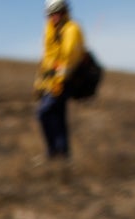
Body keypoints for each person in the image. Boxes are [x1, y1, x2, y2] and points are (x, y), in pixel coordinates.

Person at [34, 0, 87, 162]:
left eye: (56, 13)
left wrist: (59, 81)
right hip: (51, 83)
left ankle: (53, 152)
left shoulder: (72, 29)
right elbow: (47, 59)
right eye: (50, 14)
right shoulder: (50, 29)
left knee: (43, 113)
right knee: (57, 117)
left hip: (65, 82)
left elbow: (69, 59)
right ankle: (63, 155)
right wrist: (40, 84)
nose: (52, 17)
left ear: (64, 12)